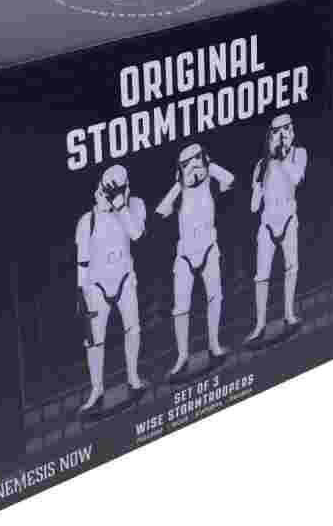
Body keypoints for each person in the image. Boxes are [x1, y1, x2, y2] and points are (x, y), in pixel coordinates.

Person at [155, 143, 234, 379]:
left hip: (209, 248)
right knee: (181, 308)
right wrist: (179, 184)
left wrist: (210, 167)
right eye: (187, 164)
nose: (193, 167)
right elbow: (160, 211)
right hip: (186, 255)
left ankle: (214, 344)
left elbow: (229, 179)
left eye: (197, 160)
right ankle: (182, 356)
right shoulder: (180, 189)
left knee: (215, 297)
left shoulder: (210, 179)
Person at [75, 164, 146, 412]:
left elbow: (136, 234)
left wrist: (120, 206)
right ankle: (97, 389)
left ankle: (133, 377)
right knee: (94, 340)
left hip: (124, 278)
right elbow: (83, 261)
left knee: (133, 328)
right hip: (97, 285)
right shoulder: (88, 221)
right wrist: (81, 293)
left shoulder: (134, 206)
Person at [246, 113, 308, 348]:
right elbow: (253, 207)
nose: (282, 135)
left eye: (286, 129)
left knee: (291, 267)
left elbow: (297, 179)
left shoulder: (298, 154)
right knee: (261, 275)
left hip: (288, 217)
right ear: (270, 136)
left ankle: (289, 314)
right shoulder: (261, 165)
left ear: (292, 130)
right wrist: (259, 183)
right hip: (267, 223)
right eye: (277, 131)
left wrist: (282, 159)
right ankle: (260, 325)